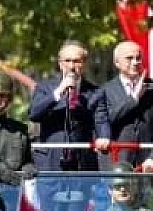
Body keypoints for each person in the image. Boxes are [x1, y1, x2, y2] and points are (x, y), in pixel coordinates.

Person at [93, 41, 153, 172]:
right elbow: (105, 122)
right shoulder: (104, 90)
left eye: (138, 58)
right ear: (117, 62)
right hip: (117, 162)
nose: (135, 62)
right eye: (129, 58)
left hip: (150, 165)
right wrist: (133, 99)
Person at [28, 40, 100, 172]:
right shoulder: (45, 88)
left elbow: (100, 121)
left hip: (82, 163)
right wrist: (58, 92)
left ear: (84, 64)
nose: (71, 66)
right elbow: (33, 114)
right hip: (51, 162)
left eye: (77, 61)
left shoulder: (94, 91)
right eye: (67, 61)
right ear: (60, 64)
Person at [0, 71, 35, 188]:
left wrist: (28, 168)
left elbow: (27, 159)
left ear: (10, 99)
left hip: (13, 192)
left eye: (2, 95)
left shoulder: (20, 130)